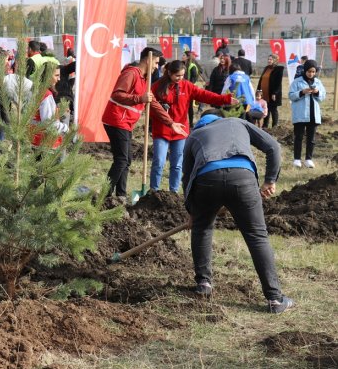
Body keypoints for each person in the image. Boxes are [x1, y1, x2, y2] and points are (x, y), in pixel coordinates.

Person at [181, 109, 294, 314]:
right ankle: (275, 300)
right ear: (220, 118)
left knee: (202, 229)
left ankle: (203, 284)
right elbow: (273, 146)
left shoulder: (194, 136)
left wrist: (193, 212)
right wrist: (270, 180)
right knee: (257, 236)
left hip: (206, 181)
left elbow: (187, 178)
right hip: (243, 178)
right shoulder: (236, 122)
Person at [101, 47, 187, 202]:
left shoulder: (144, 79)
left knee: (126, 160)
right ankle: (104, 195)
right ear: (147, 59)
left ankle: (121, 195)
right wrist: (139, 99)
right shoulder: (131, 73)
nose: (156, 66)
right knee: (121, 159)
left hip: (125, 122)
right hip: (116, 119)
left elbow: (152, 102)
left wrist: (171, 123)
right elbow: (117, 94)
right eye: (155, 62)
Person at [149, 60, 236, 192]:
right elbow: (151, 107)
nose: (180, 78)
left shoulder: (187, 86)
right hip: (162, 130)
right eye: (177, 76)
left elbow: (205, 95)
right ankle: (153, 191)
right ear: (169, 73)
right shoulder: (156, 86)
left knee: (177, 165)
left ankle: (173, 192)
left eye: (182, 75)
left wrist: (225, 99)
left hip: (180, 132)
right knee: (158, 163)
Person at [289, 60, 326, 169]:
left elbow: (323, 96)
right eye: (309, 71)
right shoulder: (296, 82)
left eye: (313, 72)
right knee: (299, 137)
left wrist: (317, 92)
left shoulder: (318, 82)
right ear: (305, 71)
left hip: (313, 114)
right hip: (300, 114)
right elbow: (291, 96)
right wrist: (302, 92)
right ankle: (297, 159)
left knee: (311, 138)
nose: (311, 74)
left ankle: (308, 159)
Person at [31, 65, 69, 149]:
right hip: (45, 142)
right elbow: (49, 123)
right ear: (47, 76)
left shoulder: (34, 90)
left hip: (32, 139)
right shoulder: (46, 95)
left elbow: (37, 113)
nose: (59, 79)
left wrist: (58, 111)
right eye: (56, 75)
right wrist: (66, 128)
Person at [256, 54, 284, 128]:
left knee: (273, 109)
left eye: (271, 59)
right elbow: (261, 80)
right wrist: (258, 90)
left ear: (275, 60)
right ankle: (265, 125)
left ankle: (275, 126)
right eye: (268, 59)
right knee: (266, 108)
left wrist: (274, 93)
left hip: (272, 93)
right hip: (264, 92)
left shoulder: (278, 69)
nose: (269, 61)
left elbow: (278, 83)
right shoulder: (266, 68)